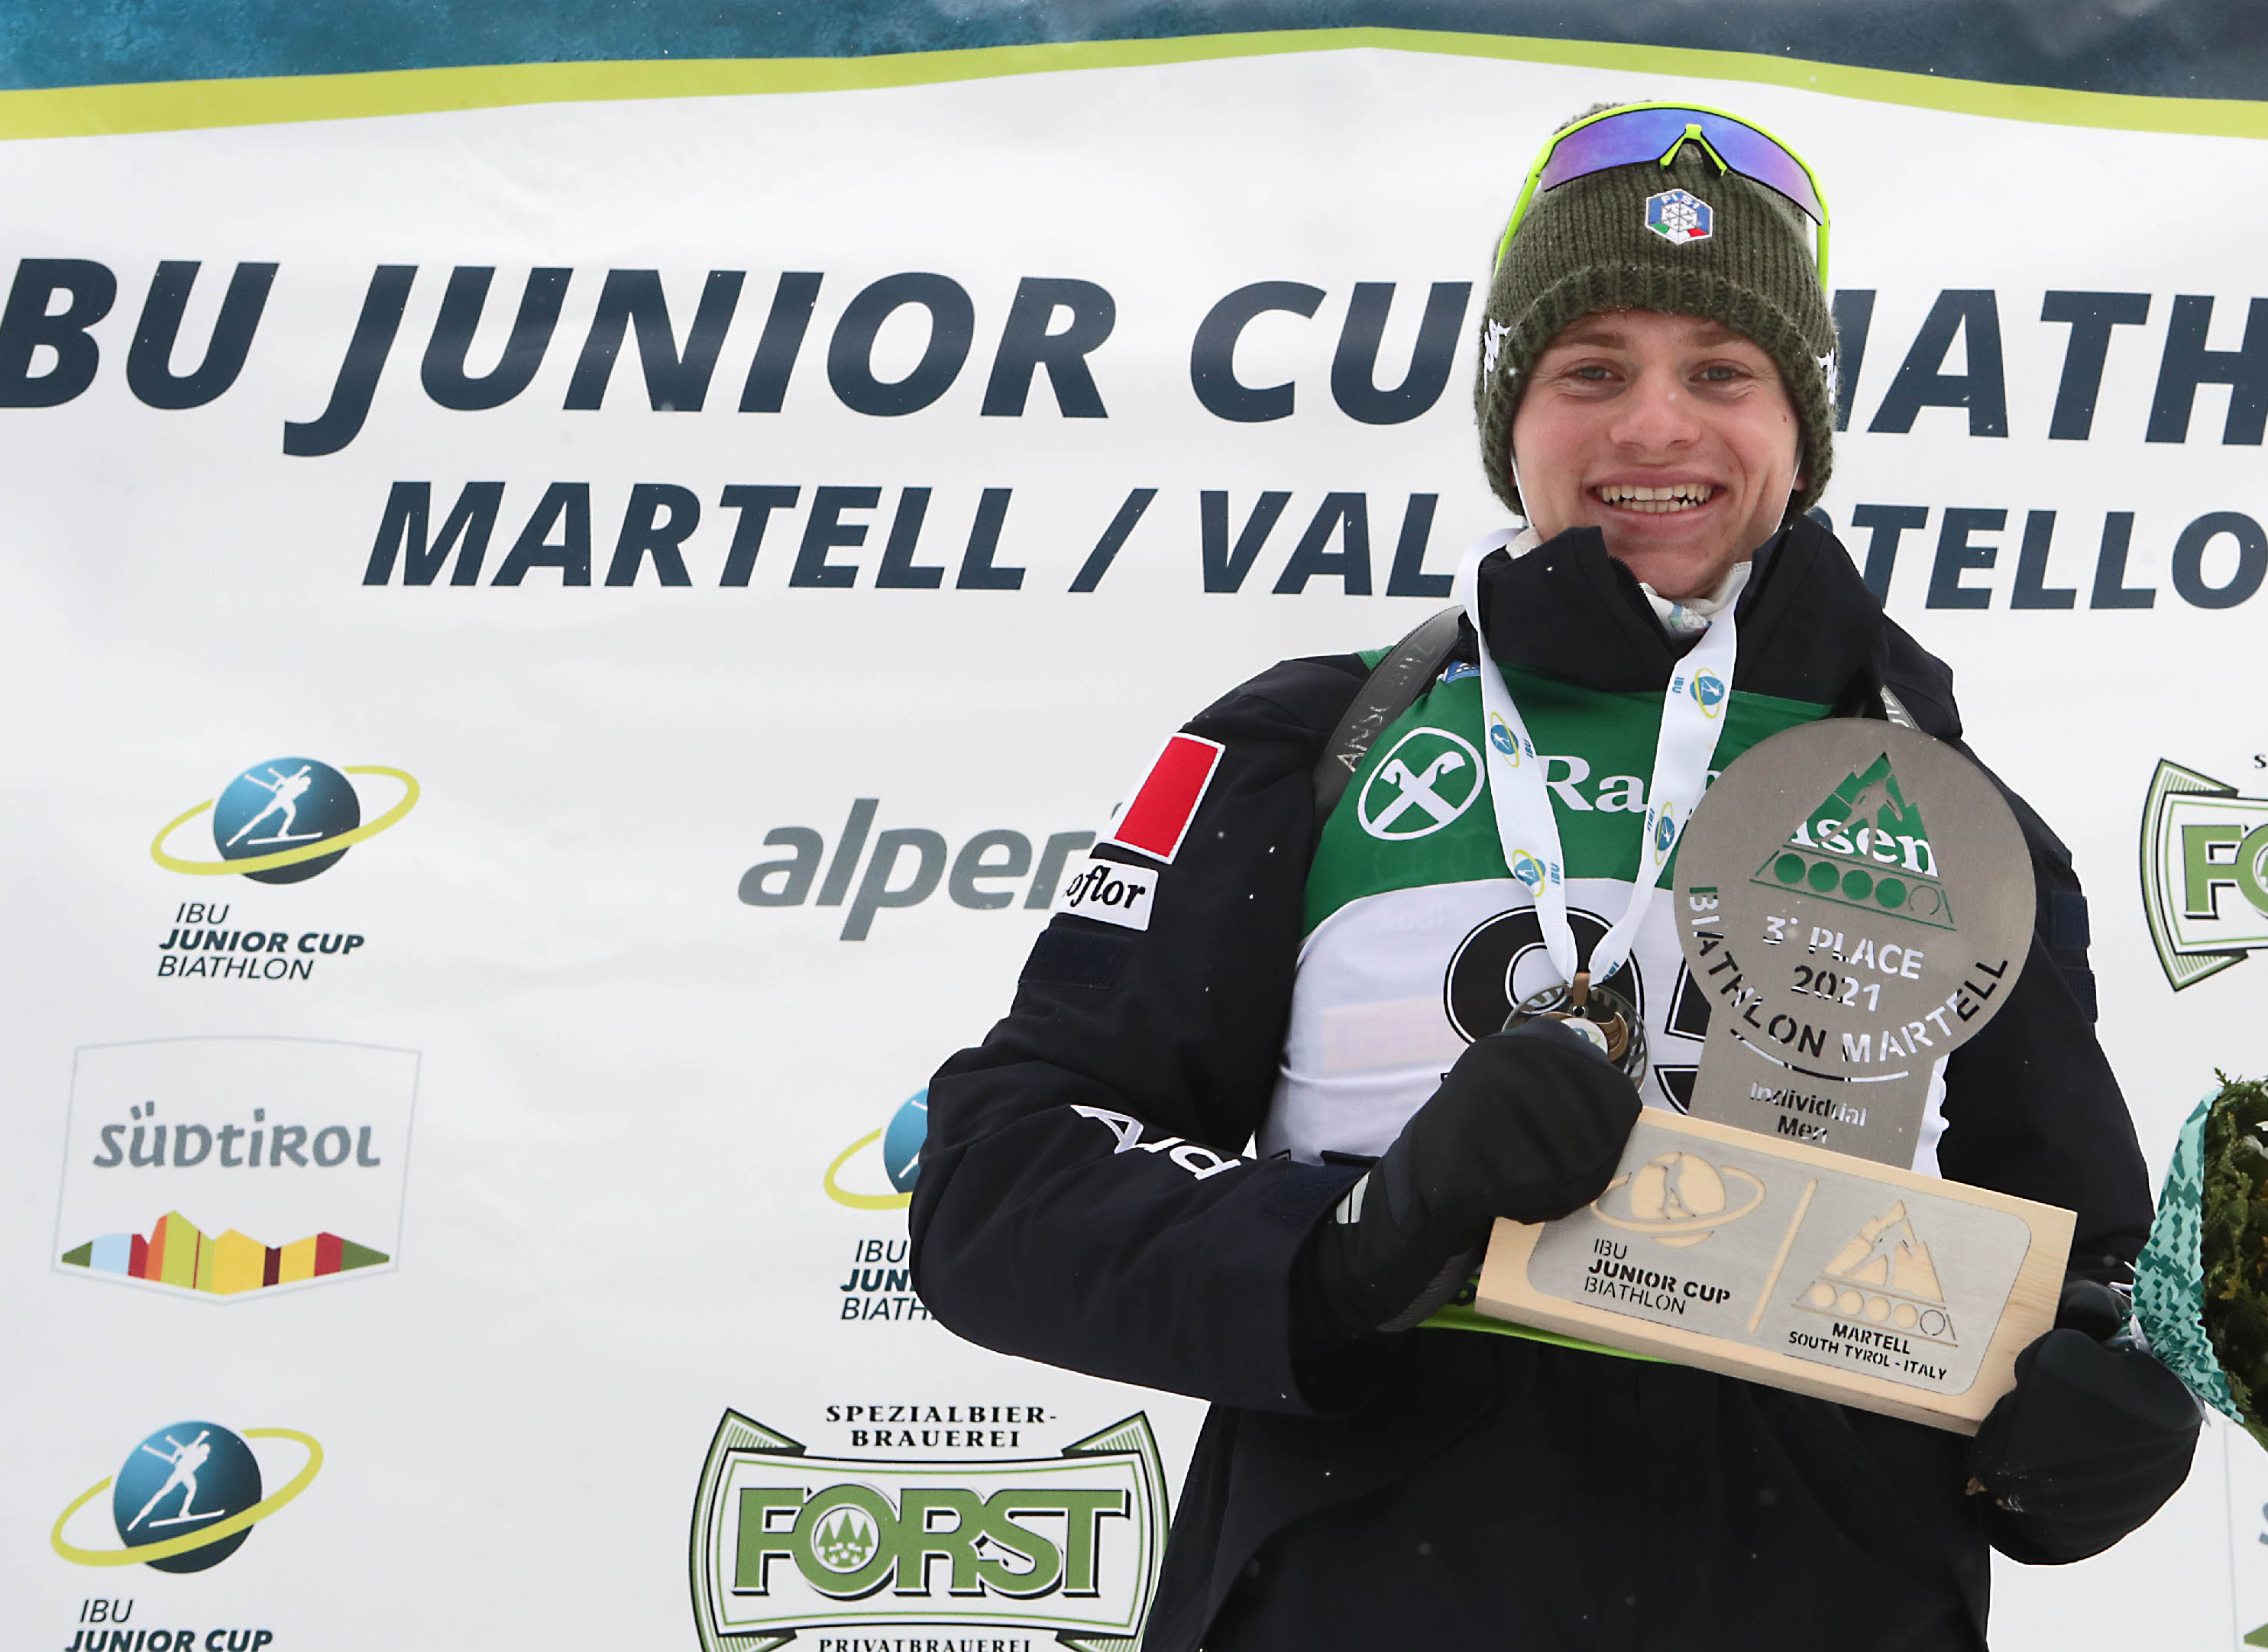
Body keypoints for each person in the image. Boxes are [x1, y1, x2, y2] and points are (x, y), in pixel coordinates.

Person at [911, 102, 2198, 1650]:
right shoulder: (1316, 740)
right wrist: (1364, 1234)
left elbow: (2082, 1271)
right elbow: (1004, 1181)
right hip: (1374, 1598)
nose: (1653, 427)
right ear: (1511, 422)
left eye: (1722, 372)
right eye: (1591, 369)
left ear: (1803, 428)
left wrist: (2103, 1419)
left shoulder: (1955, 808)